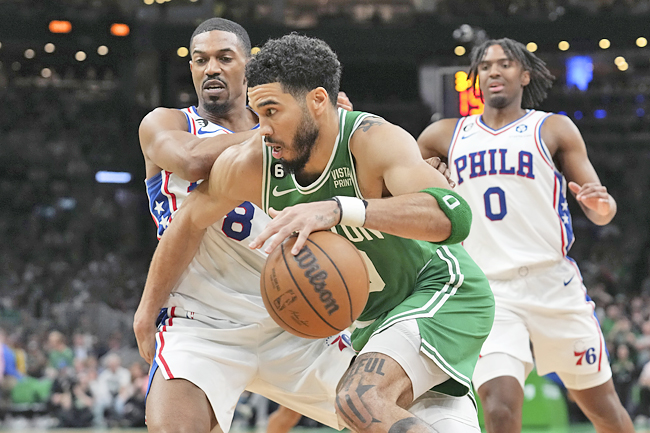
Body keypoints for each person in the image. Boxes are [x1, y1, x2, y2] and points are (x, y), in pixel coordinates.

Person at [139, 33, 495, 433]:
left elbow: (455, 216)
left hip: (438, 289)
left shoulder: (370, 139)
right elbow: (187, 221)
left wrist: (340, 209)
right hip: (370, 322)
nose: (264, 128)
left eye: (272, 112)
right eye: (258, 114)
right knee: (370, 410)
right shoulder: (254, 161)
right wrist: (147, 308)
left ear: (318, 101)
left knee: (359, 400)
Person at [134, 18, 356, 433]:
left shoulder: (294, 133)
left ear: (248, 66)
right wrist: (283, 129)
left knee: (394, 413)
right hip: (200, 320)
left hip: (294, 315)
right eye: (200, 60)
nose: (210, 68)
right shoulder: (167, 123)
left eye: (223, 58)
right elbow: (193, 161)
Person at [417, 37, 634, 433]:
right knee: (499, 409)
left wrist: (601, 207)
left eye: (505, 64)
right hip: (489, 290)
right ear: (476, 78)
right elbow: (404, 184)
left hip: (553, 283)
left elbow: (600, 210)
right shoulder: (443, 135)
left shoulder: (552, 128)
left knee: (606, 413)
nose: (494, 71)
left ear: (525, 74)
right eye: (485, 66)